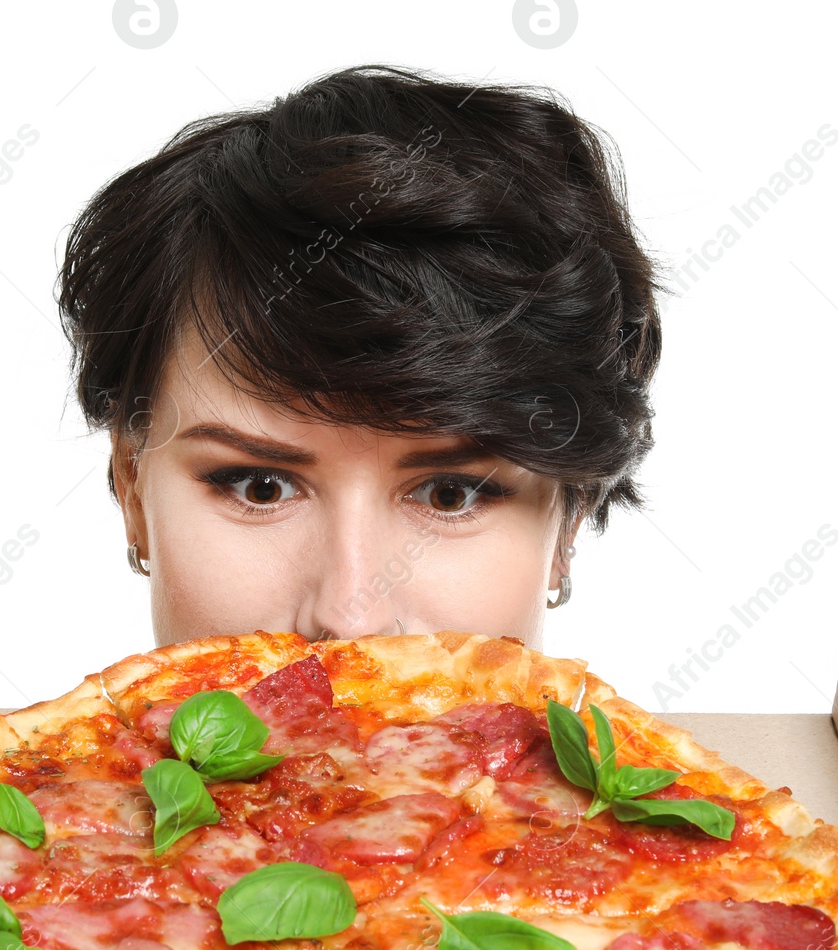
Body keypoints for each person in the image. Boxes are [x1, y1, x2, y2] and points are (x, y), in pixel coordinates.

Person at [57, 63, 662, 650]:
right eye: (261, 488)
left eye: (450, 493)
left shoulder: (700, 756)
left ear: (570, 519)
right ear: (133, 487)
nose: (350, 619)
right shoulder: (5, 756)